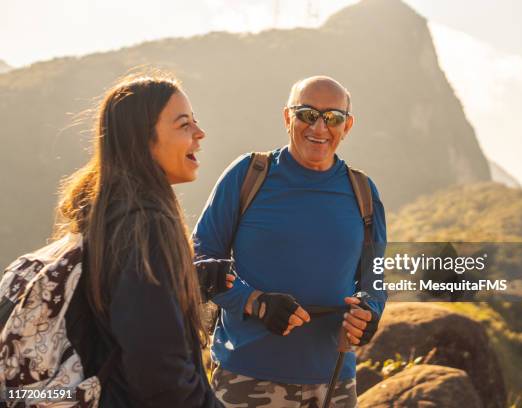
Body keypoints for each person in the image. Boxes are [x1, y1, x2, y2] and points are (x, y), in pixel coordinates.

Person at [193, 76, 387, 407]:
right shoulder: (248, 174)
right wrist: (255, 302)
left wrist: (369, 312)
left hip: (333, 383)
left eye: (333, 118)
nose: (320, 128)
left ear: (347, 125)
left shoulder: (364, 192)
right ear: (287, 117)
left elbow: (374, 278)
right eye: (307, 114)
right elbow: (201, 262)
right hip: (246, 377)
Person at [54, 73, 225, 407]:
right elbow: (161, 374)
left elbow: (121, 309)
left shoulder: (106, 215)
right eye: (183, 124)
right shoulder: (146, 225)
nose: (199, 133)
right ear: (143, 140)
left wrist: (193, 279)